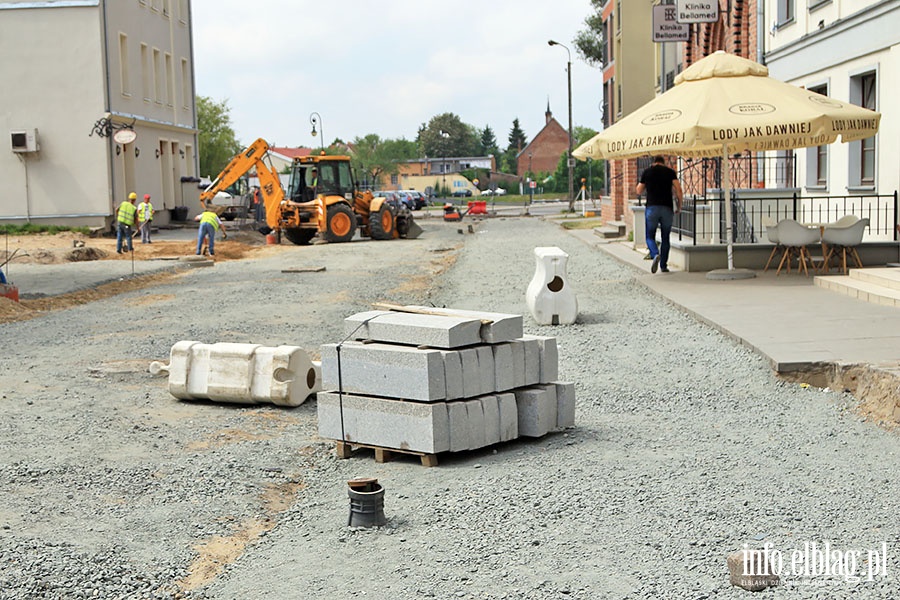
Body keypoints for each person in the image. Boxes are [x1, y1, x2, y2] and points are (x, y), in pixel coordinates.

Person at [636, 156, 683, 274]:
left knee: (649, 236)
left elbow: (639, 190)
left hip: (652, 208)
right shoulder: (670, 172)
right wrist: (680, 205)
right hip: (667, 208)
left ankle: (655, 253)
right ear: (664, 162)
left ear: (654, 162)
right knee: (665, 237)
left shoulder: (647, 172)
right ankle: (663, 265)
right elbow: (679, 190)